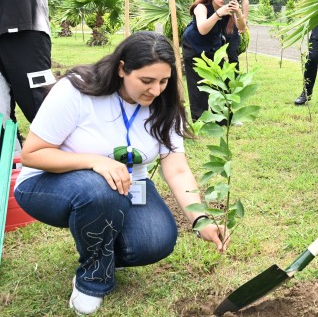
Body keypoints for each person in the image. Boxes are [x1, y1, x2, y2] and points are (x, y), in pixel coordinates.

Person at [13, 31, 228, 315]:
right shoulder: (77, 90)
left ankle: (97, 245)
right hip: (49, 184)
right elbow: (32, 153)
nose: (155, 90)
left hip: (128, 186)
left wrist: (200, 219)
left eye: (163, 81)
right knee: (99, 189)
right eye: (146, 81)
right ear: (122, 68)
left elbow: (176, 169)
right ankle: (93, 278)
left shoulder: (165, 107)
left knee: (155, 241)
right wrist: (94, 161)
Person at [182, 0, 246, 121]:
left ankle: (223, 117)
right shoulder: (201, 7)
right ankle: (201, 119)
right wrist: (219, 13)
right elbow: (203, 29)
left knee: (222, 80)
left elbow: (241, 28)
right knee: (198, 83)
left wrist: (238, 12)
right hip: (194, 45)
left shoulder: (229, 9)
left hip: (213, 45)